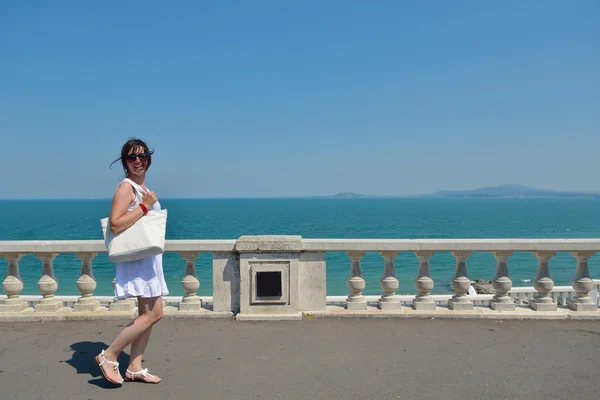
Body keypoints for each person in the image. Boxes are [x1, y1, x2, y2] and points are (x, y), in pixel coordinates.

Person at [96, 138, 168, 385]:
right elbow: (115, 223)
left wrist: (146, 202)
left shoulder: (143, 189)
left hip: (148, 259)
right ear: (124, 163)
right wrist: (146, 207)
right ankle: (110, 354)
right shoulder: (126, 188)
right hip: (138, 261)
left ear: (149, 158)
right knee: (154, 314)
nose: (138, 161)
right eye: (132, 157)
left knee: (147, 313)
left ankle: (135, 367)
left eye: (143, 155)